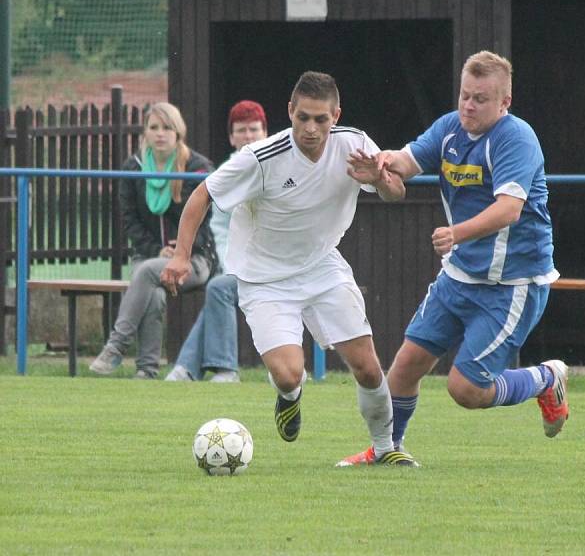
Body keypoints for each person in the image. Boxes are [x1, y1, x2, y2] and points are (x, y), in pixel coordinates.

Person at [160, 71, 416, 466]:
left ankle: (385, 448)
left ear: (336, 115)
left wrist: (381, 179)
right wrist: (180, 257)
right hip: (264, 279)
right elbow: (202, 194)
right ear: (290, 112)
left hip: (322, 266)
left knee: (366, 367)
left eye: (321, 119)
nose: (311, 128)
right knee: (288, 373)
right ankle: (289, 397)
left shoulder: (355, 144)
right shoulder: (261, 157)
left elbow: (395, 192)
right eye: (303, 118)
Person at [337, 50, 569, 467]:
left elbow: (509, 210)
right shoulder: (450, 129)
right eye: (464, 95)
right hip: (459, 277)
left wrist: (456, 233)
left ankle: (546, 379)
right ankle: (387, 450)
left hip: (511, 284)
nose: (468, 105)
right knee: (403, 370)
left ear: (504, 103)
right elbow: (407, 161)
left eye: (480, 98)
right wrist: (383, 163)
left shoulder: (517, 138)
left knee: (465, 390)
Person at [89, 102, 216, 379]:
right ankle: (146, 371)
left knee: (147, 273)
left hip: (194, 259)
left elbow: (206, 221)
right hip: (148, 255)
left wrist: (181, 250)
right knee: (154, 291)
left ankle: (116, 345)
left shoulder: (197, 167)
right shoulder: (133, 168)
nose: (160, 134)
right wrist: (157, 250)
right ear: (145, 132)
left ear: (178, 131)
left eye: (167, 127)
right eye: (154, 127)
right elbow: (129, 221)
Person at [165, 100, 268, 383]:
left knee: (218, 288)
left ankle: (224, 369)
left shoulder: (277, 164)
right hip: (242, 269)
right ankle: (186, 369)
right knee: (221, 286)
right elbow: (220, 227)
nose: (248, 136)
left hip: (278, 267)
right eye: (241, 130)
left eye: (254, 129)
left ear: (265, 132)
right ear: (232, 137)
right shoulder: (229, 172)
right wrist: (229, 265)